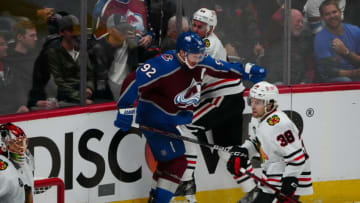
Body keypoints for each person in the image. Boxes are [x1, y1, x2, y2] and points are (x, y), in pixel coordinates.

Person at [114, 31, 266, 203]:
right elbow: (133, 80)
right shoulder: (163, 66)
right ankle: (170, 194)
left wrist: (247, 71)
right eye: (194, 56)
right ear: (181, 53)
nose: (198, 59)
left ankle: (158, 195)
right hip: (155, 119)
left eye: (200, 55)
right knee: (177, 163)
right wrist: (125, 109)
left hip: (173, 119)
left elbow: (223, 67)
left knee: (169, 165)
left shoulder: (199, 61)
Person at [174, 8, 260, 203]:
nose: (195, 29)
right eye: (194, 24)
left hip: (221, 99)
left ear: (210, 28)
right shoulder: (203, 41)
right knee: (227, 151)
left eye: (200, 26)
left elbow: (192, 76)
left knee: (183, 125)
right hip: (231, 98)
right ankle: (255, 191)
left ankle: (187, 184)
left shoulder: (208, 44)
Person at [227, 81, 313, 203]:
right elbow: (257, 142)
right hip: (273, 174)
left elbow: (298, 158)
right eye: (252, 101)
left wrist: (289, 182)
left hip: (289, 178)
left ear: (270, 104)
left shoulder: (280, 124)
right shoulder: (258, 119)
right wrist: (243, 151)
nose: (253, 106)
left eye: (258, 103)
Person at [89, 13, 141, 101]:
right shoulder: (99, 49)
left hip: (128, 93)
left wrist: (149, 37)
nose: (123, 31)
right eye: (120, 29)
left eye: (125, 28)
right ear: (110, 30)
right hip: (107, 97)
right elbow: (99, 78)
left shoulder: (131, 46)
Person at [47, 15, 95, 105]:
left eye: (77, 30)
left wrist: (89, 88)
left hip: (84, 94)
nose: (75, 34)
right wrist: (79, 98)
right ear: (61, 32)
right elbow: (58, 81)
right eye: (71, 31)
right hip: (65, 98)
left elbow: (90, 74)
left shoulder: (82, 49)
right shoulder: (54, 52)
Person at [262, 9, 314, 85]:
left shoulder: (306, 41)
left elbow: (311, 68)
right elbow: (274, 19)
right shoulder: (275, 38)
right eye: (298, 21)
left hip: (299, 86)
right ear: (287, 22)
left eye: (302, 22)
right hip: (275, 85)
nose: (300, 25)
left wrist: (305, 81)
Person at [314, 0, 360, 82]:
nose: (332, 16)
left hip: (356, 75)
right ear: (322, 17)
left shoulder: (355, 30)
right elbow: (329, 71)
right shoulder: (320, 38)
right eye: (327, 14)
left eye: (334, 12)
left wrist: (346, 52)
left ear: (340, 12)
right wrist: (353, 73)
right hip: (334, 80)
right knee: (345, 80)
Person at [4, 19, 39, 113]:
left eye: (36, 35)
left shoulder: (35, 58)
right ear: (20, 37)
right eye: (32, 35)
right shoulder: (8, 61)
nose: (36, 39)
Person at [0, 122, 35, 203]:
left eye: (22, 143)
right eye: (16, 144)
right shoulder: (3, 168)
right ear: (3, 144)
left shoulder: (26, 162)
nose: (21, 149)